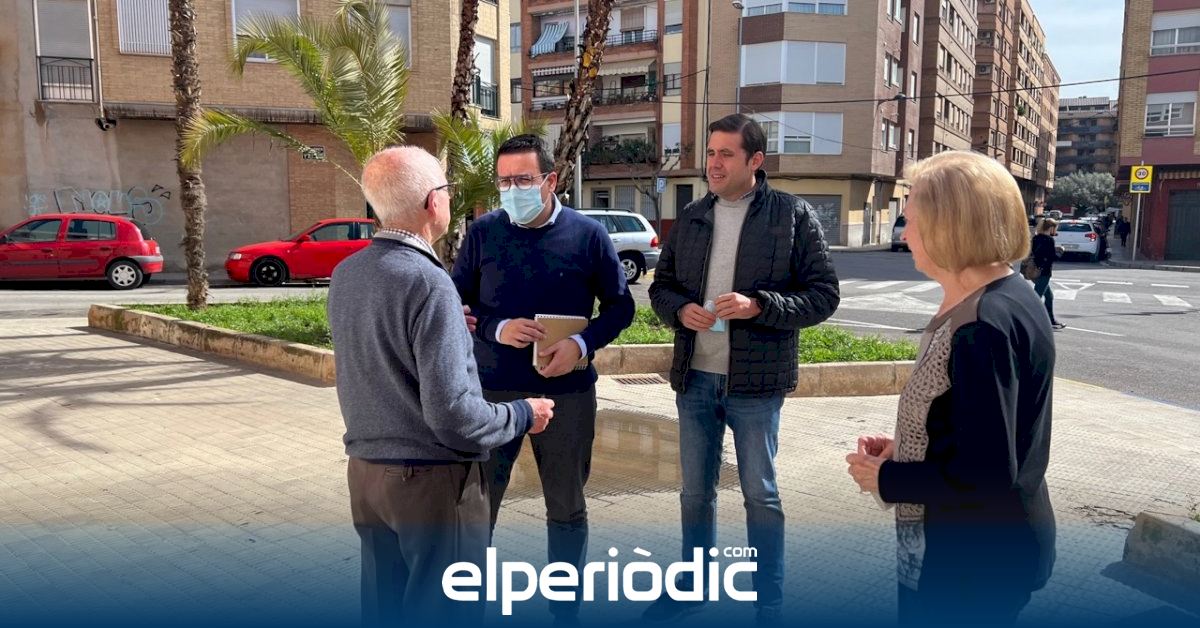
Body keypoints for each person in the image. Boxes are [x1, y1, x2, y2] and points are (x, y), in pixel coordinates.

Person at [328, 146, 555, 626]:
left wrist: (453, 326)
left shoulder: (348, 274)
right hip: (430, 485)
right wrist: (522, 414)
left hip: (367, 477)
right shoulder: (428, 282)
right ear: (434, 202)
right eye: (447, 190)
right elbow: (454, 416)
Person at [845, 150, 1056, 627]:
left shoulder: (983, 324)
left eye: (912, 220)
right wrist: (911, 445)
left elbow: (985, 476)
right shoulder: (1007, 295)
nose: (905, 234)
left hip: (969, 570)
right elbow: (985, 428)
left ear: (950, 226)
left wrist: (888, 479)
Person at [644, 113, 840, 624]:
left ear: (756, 160)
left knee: (761, 495)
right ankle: (693, 586)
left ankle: (768, 599)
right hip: (695, 379)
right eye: (711, 153)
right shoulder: (691, 216)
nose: (714, 163)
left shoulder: (792, 215)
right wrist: (679, 311)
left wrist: (760, 306)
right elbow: (661, 288)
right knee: (694, 494)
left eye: (726, 154)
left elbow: (824, 296)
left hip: (756, 384)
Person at [451, 134, 635, 626]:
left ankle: (565, 610)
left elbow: (621, 307)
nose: (512, 190)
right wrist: (496, 328)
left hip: (567, 393)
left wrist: (581, 343)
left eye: (523, 180)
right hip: (493, 395)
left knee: (567, 508)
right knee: (478, 509)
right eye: (504, 181)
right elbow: (455, 304)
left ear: (550, 180)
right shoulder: (483, 233)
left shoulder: (589, 235)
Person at [1030, 218, 1066, 330]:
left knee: (1049, 297)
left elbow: (1036, 253)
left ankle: (1050, 320)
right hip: (1044, 272)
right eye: (1055, 228)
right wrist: (1060, 251)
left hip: (1035, 271)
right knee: (1036, 297)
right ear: (1051, 228)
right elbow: (1052, 257)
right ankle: (1029, 322)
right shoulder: (1049, 240)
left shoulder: (1036, 238)